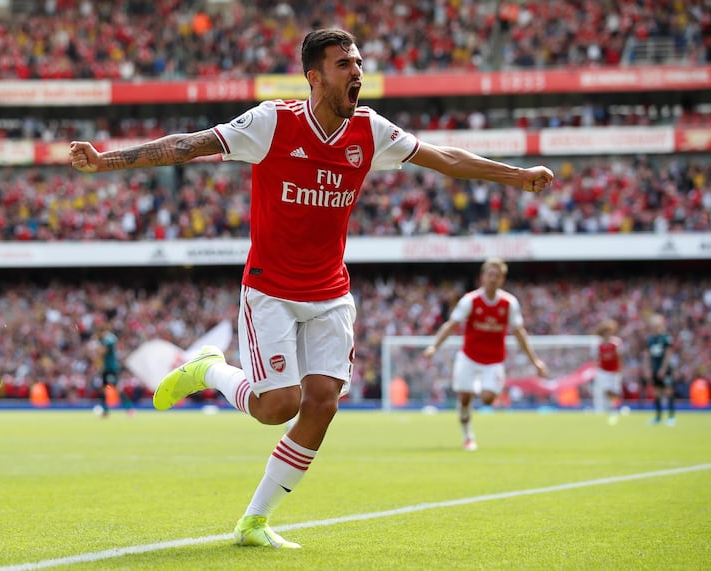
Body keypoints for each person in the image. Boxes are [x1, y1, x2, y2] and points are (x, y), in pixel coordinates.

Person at [70, 28, 553, 548]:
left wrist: (517, 175)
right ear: (314, 76)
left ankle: (255, 520)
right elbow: (189, 145)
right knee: (277, 406)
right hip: (270, 290)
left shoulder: (370, 131)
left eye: (359, 63)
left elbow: (446, 158)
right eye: (345, 65)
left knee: (322, 403)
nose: (357, 73)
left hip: (330, 293)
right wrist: (107, 161)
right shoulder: (271, 121)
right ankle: (209, 368)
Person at [422, 258, 548, 451]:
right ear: (483, 277)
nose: (493, 279)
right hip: (469, 357)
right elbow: (451, 325)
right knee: (464, 399)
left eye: (497, 276)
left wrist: (535, 361)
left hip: (494, 360)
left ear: (502, 279)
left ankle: (478, 386)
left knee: (488, 398)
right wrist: (434, 346)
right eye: (490, 275)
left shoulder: (509, 303)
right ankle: (467, 435)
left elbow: (520, 333)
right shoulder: (471, 300)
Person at [96, 321, 134, 417]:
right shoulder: (110, 338)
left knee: (115, 388)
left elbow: (103, 351)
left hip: (110, 368)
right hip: (108, 368)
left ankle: (128, 407)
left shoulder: (107, 339)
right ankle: (106, 410)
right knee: (105, 389)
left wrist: (97, 351)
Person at [645, 313, 676, 425]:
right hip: (655, 369)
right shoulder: (650, 339)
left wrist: (663, 368)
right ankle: (658, 417)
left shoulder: (666, 338)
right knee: (657, 393)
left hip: (665, 370)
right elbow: (648, 355)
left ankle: (671, 417)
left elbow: (668, 354)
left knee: (668, 392)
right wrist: (648, 368)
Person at [591, 318, 624, 424]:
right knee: (605, 390)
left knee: (614, 392)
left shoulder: (616, 343)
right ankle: (608, 410)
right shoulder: (598, 344)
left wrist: (620, 370)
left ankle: (613, 410)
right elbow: (595, 358)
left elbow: (620, 357)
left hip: (614, 371)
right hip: (603, 371)